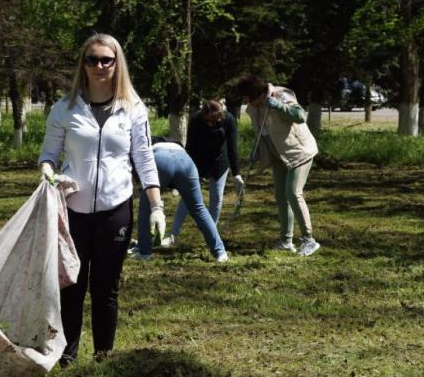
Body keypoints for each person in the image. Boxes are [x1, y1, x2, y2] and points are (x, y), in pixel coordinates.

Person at [38, 33, 165, 366]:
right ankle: (67, 357)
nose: (99, 66)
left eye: (106, 60)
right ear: (83, 63)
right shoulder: (63, 108)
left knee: (106, 288)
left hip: (115, 211)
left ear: (116, 63)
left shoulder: (133, 108)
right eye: (92, 59)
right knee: (72, 286)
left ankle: (103, 358)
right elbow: (49, 154)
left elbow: (144, 158)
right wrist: (48, 173)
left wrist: (157, 206)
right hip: (73, 212)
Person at [238, 74, 320, 256]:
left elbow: (300, 116)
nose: (245, 102)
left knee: (293, 192)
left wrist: (280, 107)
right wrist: (256, 151)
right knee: (281, 197)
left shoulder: (281, 95)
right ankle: (286, 241)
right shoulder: (253, 109)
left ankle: (309, 240)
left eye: (245, 97)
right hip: (278, 156)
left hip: (299, 152)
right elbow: (261, 132)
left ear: (254, 94)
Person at [133, 139, 228, 262]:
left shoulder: (150, 145)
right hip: (186, 162)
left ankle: (144, 252)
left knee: (146, 206)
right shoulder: (178, 148)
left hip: (159, 160)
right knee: (199, 209)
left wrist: (137, 184)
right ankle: (220, 252)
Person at [164, 100, 243, 246]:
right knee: (188, 197)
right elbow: (190, 147)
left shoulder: (229, 120)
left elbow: (232, 148)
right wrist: (182, 172)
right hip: (198, 161)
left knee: (217, 198)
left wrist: (236, 172)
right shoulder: (196, 120)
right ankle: (173, 234)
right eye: (208, 121)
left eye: (215, 120)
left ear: (221, 115)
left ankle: (211, 235)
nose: (212, 124)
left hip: (220, 162)